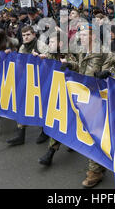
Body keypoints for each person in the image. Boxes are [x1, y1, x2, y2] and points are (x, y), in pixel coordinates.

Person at [61, 24, 115, 189]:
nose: (81, 38)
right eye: (80, 35)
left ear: (93, 36)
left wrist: (106, 74)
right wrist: (70, 65)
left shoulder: (105, 51)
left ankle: (95, 171)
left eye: (84, 35)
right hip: (84, 97)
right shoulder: (81, 51)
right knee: (88, 132)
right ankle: (98, 166)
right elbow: (80, 67)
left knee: (96, 133)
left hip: (99, 99)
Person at [35, 30, 77, 166]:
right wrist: (39, 57)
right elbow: (45, 58)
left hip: (71, 94)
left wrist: (69, 65)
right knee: (57, 121)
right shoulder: (50, 55)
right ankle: (51, 152)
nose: (49, 44)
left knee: (75, 122)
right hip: (57, 94)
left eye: (52, 42)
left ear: (60, 43)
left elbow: (78, 68)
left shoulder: (68, 54)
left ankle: (73, 142)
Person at [5, 25, 49, 146]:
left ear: (34, 35)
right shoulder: (23, 47)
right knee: (22, 106)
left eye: (28, 35)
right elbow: (20, 63)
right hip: (27, 80)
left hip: (41, 82)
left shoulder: (41, 45)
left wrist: (40, 59)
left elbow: (51, 61)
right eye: (23, 35)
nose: (25, 37)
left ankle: (45, 131)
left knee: (41, 108)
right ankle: (21, 134)